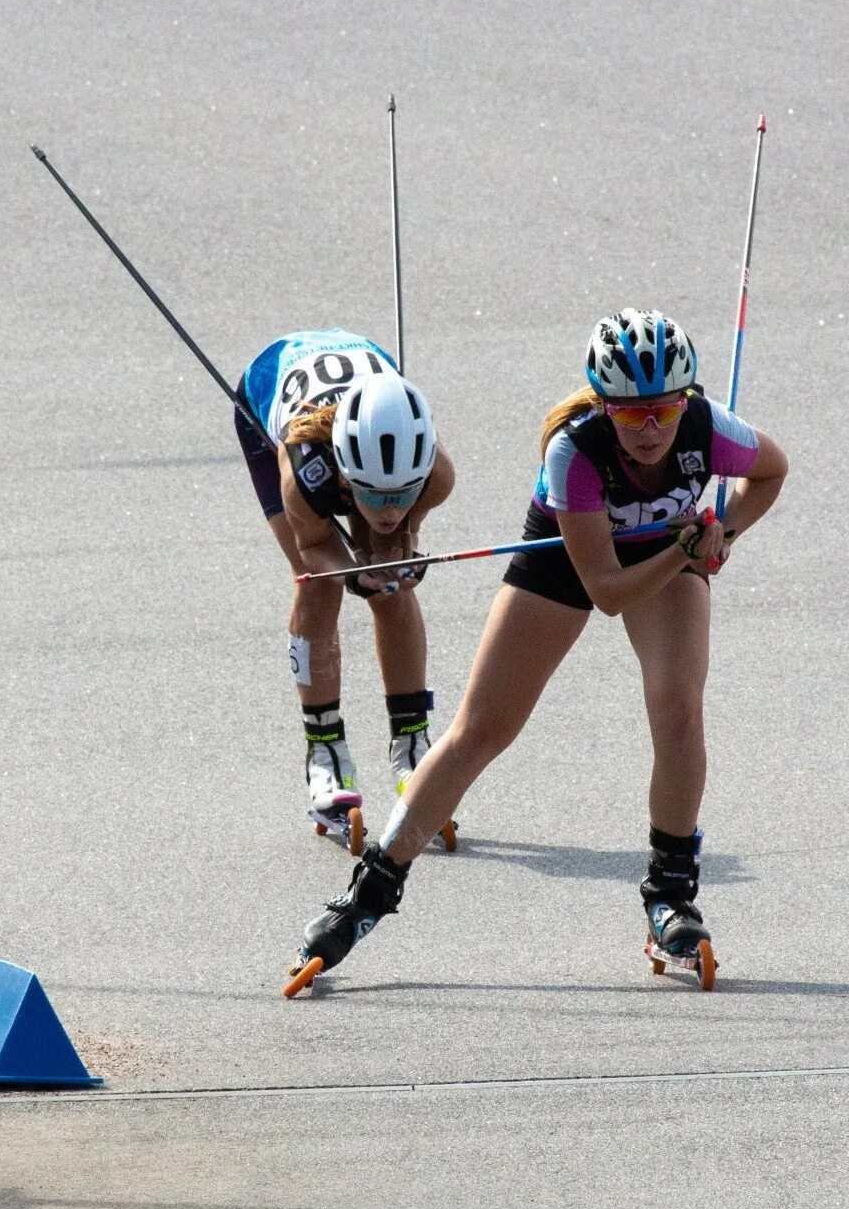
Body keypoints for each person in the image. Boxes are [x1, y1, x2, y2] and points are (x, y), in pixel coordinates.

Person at [287, 310, 789, 990]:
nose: (650, 429)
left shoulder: (707, 427)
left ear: (686, 399)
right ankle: (367, 896)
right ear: (604, 405)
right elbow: (607, 590)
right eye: (630, 413)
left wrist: (722, 531)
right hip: (576, 558)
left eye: (664, 410)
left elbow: (772, 468)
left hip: (669, 558)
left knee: (679, 710)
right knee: (480, 729)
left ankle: (672, 896)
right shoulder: (574, 453)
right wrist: (684, 542)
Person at [233, 329, 454, 848]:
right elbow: (315, 548)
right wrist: (351, 571)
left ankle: (413, 744)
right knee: (319, 587)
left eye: (404, 493)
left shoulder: (436, 474)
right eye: (373, 496)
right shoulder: (306, 470)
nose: (390, 510)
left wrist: (403, 546)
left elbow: (404, 521)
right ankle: (325, 751)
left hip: (360, 368)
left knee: (392, 586)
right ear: (346, 474)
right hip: (269, 389)